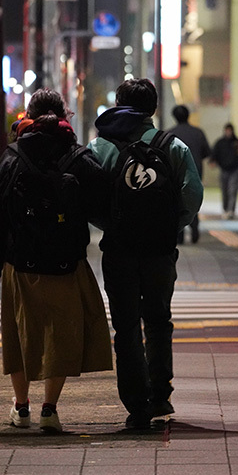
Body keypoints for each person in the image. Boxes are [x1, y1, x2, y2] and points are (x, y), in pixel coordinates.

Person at [0, 88, 113, 433]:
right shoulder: (77, 156)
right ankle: (50, 409)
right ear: (65, 116)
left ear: (28, 116)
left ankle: (21, 408)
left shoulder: (13, 156)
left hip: (19, 262)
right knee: (61, 334)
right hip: (65, 262)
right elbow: (104, 200)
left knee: (19, 334)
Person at [87, 78, 203, 429]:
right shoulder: (175, 147)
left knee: (125, 326)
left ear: (121, 105)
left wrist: (110, 223)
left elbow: (89, 198)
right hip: (160, 249)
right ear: (153, 108)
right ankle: (160, 393)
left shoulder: (101, 147)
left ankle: (136, 405)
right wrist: (171, 225)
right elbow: (193, 195)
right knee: (157, 320)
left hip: (119, 250)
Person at [167, 105, 211, 242]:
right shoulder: (198, 133)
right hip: (195, 172)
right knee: (192, 200)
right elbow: (207, 152)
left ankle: (179, 235)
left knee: (176, 202)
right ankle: (195, 228)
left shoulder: (169, 134)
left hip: (174, 174)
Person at [211, 123, 238, 219]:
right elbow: (214, 153)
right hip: (223, 169)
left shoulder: (237, 142)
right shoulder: (220, 142)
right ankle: (225, 208)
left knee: (233, 190)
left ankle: (231, 210)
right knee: (224, 190)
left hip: (235, 169)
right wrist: (213, 161)